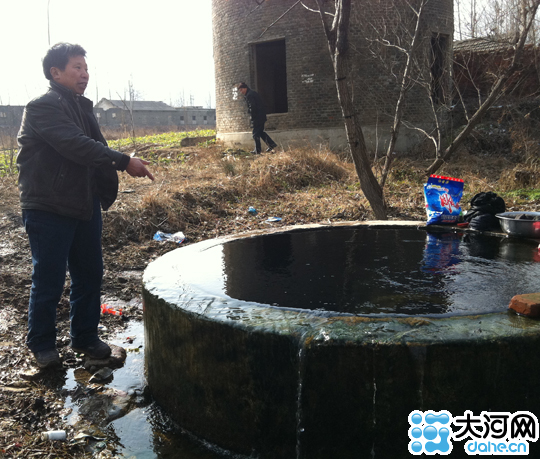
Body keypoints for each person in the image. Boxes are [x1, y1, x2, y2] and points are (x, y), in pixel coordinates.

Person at [17, 43, 154, 369]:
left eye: (85, 67)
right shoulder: (42, 107)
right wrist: (124, 161)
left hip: (83, 204)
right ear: (56, 72)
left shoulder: (81, 107)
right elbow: (75, 146)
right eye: (76, 67)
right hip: (48, 206)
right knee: (49, 278)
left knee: (90, 274)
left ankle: (85, 339)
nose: (84, 73)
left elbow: (93, 149)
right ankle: (42, 345)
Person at [237, 82, 278, 154]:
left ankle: (258, 150)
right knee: (260, 132)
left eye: (241, 90)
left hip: (258, 117)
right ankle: (271, 144)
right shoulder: (251, 93)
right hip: (261, 116)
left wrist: (252, 118)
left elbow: (252, 107)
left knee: (255, 134)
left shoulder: (250, 95)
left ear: (245, 88)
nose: (241, 92)